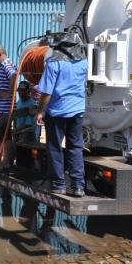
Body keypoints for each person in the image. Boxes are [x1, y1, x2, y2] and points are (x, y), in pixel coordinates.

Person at [36, 36, 88, 197]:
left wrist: (39, 111)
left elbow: (46, 93)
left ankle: (59, 185)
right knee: (75, 147)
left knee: (54, 147)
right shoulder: (83, 63)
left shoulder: (53, 64)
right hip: (77, 110)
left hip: (57, 111)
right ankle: (78, 186)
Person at [0, 46, 17, 167]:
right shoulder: (6, 65)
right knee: (5, 136)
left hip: (2, 109)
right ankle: (6, 161)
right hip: (2, 109)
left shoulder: (6, 64)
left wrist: (9, 93)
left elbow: (14, 76)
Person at [14, 81, 37, 169]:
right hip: (19, 134)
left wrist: (16, 131)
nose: (20, 93)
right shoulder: (19, 101)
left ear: (28, 91)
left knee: (27, 160)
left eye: (23, 91)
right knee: (20, 158)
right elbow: (16, 117)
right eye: (19, 91)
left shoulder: (32, 104)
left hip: (28, 135)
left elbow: (29, 125)